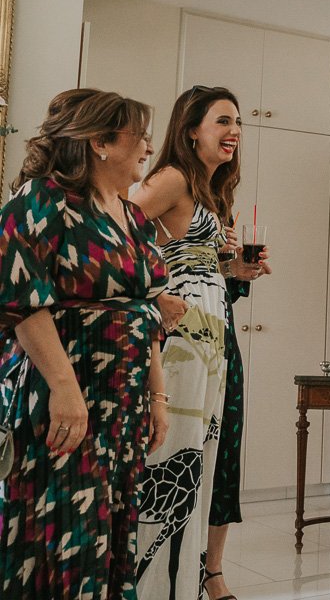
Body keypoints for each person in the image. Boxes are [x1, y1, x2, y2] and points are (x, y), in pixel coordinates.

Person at [0, 88, 176, 598]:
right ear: (100, 141)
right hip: (63, 400)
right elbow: (19, 297)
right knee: (60, 532)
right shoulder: (43, 199)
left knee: (111, 532)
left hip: (122, 405)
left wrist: (157, 399)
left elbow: (146, 311)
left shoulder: (132, 216)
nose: (148, 147)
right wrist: (65, 389)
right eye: (139, 136)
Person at [131, 87, 268, 600]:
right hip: (182, 346)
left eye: (238, 123)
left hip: (213, 339)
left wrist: (236, 268)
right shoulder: (171, 178)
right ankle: (150, 587)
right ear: (191, 129)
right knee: (172, 458)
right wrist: (156, 291)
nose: (234, 131)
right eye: (223, 121)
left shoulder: (212, 192)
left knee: (202, 461)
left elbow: (196, 264)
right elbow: (116, 228)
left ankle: (185, 581)